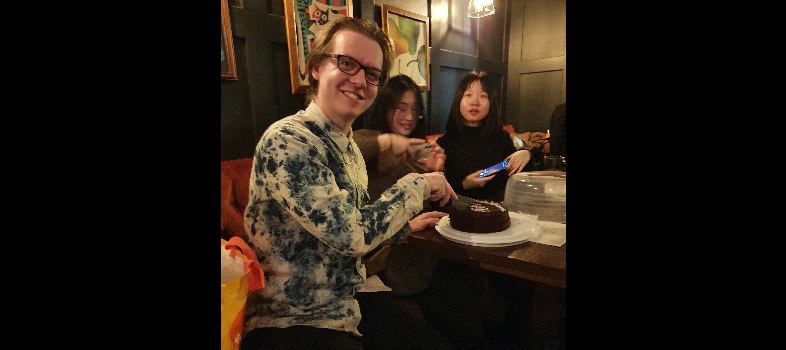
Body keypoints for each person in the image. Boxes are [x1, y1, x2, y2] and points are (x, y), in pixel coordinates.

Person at [240, 17, 457, 350]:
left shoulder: (349, 147)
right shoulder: (288, 140)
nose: (360, 81)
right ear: (315, 68)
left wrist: (404, 227)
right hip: (289, 319)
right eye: (347, 63)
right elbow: (350, 235)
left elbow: (343, 234)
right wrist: (421, 184)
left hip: (344, 305)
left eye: (371, 73)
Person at [354, 74, 506, 350]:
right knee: (462, 300)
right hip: (395, 257)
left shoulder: (418, 148)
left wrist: (436, 171)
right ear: (385, 106)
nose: (409, 116)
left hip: (429, 249)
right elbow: (351, 150)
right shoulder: (370, 139)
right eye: (401, 108)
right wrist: (389, 141)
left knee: (479, 287)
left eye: (415, 109)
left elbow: (440, 203)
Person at [439, 71, 534, 201]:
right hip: (459, 214)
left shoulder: (502, 138)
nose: (475, 102)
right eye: (468, 95)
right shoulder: (444, 144)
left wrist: (526, 154)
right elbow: (436, 195)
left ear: (491, 103)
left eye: (483, 96)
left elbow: (520, 180)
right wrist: (464, 185)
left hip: (500, 211)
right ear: (458, 100)